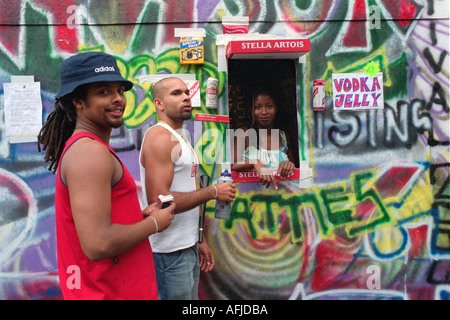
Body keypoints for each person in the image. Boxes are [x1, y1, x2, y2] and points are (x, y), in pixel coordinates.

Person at [37, 51, 174, 300]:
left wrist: (139, 217)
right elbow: (98, 243)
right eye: (103, 92)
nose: (117, 99)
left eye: (119, 90)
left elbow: (101, 224)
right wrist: (154, 224)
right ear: (78, 101)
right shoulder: (89, 153)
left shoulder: (90, 149)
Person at [139, 76, 236, 300]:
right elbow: (160, 200)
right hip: (170, 252)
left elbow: (187, 186)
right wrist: (213, 192)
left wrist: (198, 238)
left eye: (186, 92)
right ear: (159, 104)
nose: (185, 97)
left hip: (186, 245)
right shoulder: (160, 137)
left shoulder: (179, 137)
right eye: (176, 93)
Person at [231, 91, 295, 189]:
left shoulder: (284, 137)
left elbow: (294, 171)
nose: (264, 112)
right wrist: (254, 162)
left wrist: (289, 165)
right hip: (249, 199)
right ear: (252, 110)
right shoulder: (244, 134)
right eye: (258, 107)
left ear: (276, 108)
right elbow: (232, 166)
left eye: (269, 106)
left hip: (282, 199)